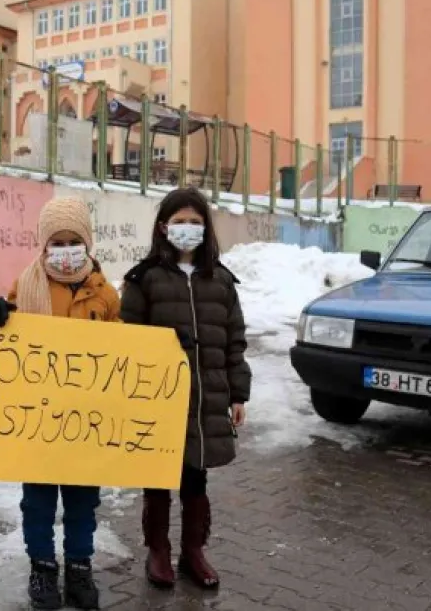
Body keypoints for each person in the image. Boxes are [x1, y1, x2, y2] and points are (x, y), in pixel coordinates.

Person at [0, 196, 120, 611]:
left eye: (74, 240)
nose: (66, 249)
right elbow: (6, 333)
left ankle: (79, 566)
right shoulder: (27, 286)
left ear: (87, 242)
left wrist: (160, 347)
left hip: (86, 424)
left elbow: (122, 344)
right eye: (57, 241)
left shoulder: (106, 293)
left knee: (82, 502)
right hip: (38, 424)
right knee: (37, 502)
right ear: (43, 245)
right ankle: (42, 567)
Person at [118, 186, 251, 590]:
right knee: (158, 475)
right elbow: (127, 337)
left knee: (196, 476)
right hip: (159, 399)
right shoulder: (144, 279)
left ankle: (193, 551)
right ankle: (158, 551)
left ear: (206, 229)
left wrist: (238, 393)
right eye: (179, 222)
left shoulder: (222, 282)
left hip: (206, 398)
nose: (187, 229)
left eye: (195, 222)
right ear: (163, 227)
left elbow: (235, 340)